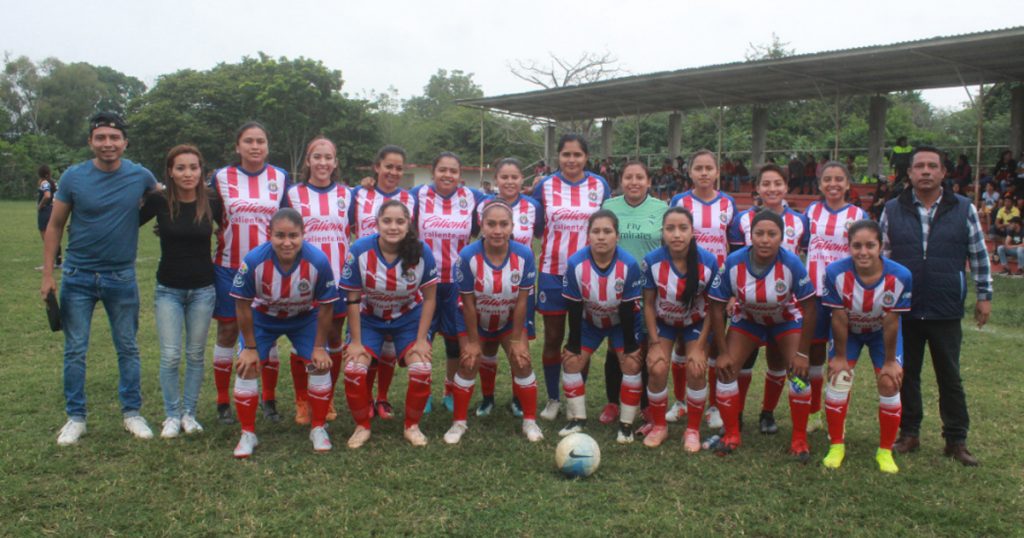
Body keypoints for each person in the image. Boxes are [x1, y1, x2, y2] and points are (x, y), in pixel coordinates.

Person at [41, 111, 158, 446]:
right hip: (77, 276)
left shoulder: (140, 175)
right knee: (75, 350)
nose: (108, 144)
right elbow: (55, 225)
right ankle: (76, 418)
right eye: (101, 137)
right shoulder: (74, 177)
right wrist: (48, 275)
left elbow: (166, 197)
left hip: (120, 277)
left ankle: (132, 413)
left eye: (114, 137)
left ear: (125, 142)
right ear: (91, 141)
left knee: (128, 347)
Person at [880, 145, 991, 466]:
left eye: (932, 166)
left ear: (944, 172)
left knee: (950, 375)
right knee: (907, 373)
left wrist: (984, 295)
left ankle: (956, 439)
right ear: (910, 173)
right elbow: (883, 258)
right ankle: (909, 433)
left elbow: (979, 254)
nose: (926, 171)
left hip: (945, 307)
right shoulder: (892, 208)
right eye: (919, 167)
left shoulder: (963, 208)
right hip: (905, 309)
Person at [229, 209, 339, 457]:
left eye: (293, 235)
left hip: (303, 318)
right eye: (280, 235)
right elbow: (242, 304)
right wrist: (249, 347)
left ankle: (318, 427)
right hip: (263, 317)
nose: (287, 242)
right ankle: (248, 433)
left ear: (303, 235)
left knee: (319, 364)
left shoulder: (318, 261)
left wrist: (319, 347)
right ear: (269, 235)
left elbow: (326, 306)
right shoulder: (254, 261)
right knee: (247, 366)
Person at [708, 210, 817, 460]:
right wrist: (723, 351)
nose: (765, 239)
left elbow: (810, 308)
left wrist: (801, 353)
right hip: (748, 320)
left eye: (772, 234)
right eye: (759, 233)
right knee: (726, 370)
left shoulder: (791, 263)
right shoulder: (734, 262)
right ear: (750, 236)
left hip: (784, 320)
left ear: (781, 237)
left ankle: (799, 439)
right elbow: (715, 305)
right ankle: (732, 434)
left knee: (799, 376)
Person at [339, 200, 438, 448]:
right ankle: (362, 426)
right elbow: (352, 298)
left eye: (400, 221)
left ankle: (412, 426)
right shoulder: (360, 250)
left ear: (408, 225)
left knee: (421, 368)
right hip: (369, 318)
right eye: (387, 221)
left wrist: (421, 340)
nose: (393, 227)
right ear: (377, 223)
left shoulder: (421, 252)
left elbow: (430, 298)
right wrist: (356, 342)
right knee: (353, 369)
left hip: (408, 318)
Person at [210, 121, 289, 425]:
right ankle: (221, 402)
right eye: (249, 141)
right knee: (229, 331)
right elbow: (209, 214)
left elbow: (288, 221)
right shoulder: (220, 177)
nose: (255, 146)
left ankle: (269, 400)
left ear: (268, 146)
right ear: (237, 146)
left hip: (271, 270)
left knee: (266, 336)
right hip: (230, 266)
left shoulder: (279, 178)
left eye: (261, 141)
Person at [140, 145, 221, 438]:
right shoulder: (158, 201)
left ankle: (189, 414)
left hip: (203, 289)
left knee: (196, 355)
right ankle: (171, 415)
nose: (188, 174)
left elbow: (229, 231)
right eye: (181, 168)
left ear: (202, 171)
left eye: (193, 167)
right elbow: (127, 222)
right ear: (170, 172)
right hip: (168, 290)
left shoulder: (212, 200)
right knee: (171, 355)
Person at [820, 220, 912, 473]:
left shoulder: (900, 275)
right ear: (848, 246)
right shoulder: (835, 273)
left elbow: (892, 321)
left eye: (870, 245)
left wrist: (891, 362)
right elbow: (838, 318)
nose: (863, 252)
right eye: (856, 245)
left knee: (889, 382)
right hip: (848, 331)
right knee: (840, 377)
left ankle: (885, 451)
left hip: (881, 333)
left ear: (880, 246)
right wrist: (839, 357)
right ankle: (837, 445)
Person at [448, 200, 543, 443]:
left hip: (509, 319)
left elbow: (523, 301)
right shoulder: (467, 256)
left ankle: (530, 421)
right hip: (474, 320)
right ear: (481, 225)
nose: (497, 230)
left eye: (503, 224)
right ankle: (459, 424)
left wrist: (517, 340)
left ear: (512, 227)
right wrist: (471, 341)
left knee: (521, 360)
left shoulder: (524, 255)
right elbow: (467, 303)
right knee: (469, 361)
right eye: (491, 224)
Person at [531, 134, 610, 420]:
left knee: (580, 338)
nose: (572, 160)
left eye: (577, 155)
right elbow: (538, 228)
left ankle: (576, 398)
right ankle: (553, 399)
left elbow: (605, 226)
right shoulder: (545, 186)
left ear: (586, 157)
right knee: (553, 338)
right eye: (566, 154)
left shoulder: (599, 185)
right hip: (553, 271)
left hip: (588, 275)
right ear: (558, 157)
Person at [728, 164, 809, 434]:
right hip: (748, 305)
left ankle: (768, 413)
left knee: (779, 363)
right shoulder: (741, 220)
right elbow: (736, 258)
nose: (772, 189)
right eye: (766, 184)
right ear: (758, 188)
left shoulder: (800, 221)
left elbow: (804, 254)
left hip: (784, 307)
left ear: (786, 187)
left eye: (777, 183)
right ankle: (735, 414)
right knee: (742, 362)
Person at [558, 210, 644, 439]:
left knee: (631, 365)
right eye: (595, 231)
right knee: (572, 362)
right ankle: (577, 419)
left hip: (620, 323)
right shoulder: (576, 263)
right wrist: (573, 344)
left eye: (607, 231)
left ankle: (626, 426)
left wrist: (630, 347)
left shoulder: (629, 264)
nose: (601, 237)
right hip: (590, 323)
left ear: (617, 236)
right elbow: (574, 307)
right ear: (588, 236)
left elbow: (627, 310)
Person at [285, 137, 353, 425]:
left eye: (329, 157)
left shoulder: (348, 195)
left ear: (335, 162)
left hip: (338, 281)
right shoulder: (292, 194)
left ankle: (326, 396)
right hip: (302, 281)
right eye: (317, 157)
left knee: (334, 338)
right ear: (308, 161)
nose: (323, 162)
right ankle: (303, 399)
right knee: (304, 340)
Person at [410, 152, 483, 414]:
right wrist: (366, 185)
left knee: (454, 340)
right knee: (423, 338)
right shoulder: (417, 194)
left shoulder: (472, 197)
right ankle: (423, 391)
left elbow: (507, 203)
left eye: (453, 171)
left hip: (457, 282)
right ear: (433, 171)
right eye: (442, 170)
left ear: (460, 175)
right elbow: (389, 199)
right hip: (425, 281)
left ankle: (450, 389)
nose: (447, 175)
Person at [670, 150, 738, 429]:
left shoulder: (728, 203)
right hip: (686, 280)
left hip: (719, 282)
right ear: (690, 173)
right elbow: (671, 238)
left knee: (712, 342)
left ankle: (711, 405)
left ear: (717, 172)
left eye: (709, 168)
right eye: (698, 168)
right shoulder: (679, 201)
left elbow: (734, 246)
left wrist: (733, 290)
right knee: (679, 340)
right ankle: (680, 401)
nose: (704, 173)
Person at [643, 207, 719, 451]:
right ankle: (659, 426)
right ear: (662, 233)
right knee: (656, 367)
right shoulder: (652, 261)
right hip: (665, 322)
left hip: (696, 322)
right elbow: (647, 305)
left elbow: (714, 308)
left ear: (693, 232)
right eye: (670, 228)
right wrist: (654, 344)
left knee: (696, 369)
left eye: (683, 228)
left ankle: (693, 430)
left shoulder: (708, 262)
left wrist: (700, 346)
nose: (677, 234)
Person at [598, 161, 666, 429]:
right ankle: (613, 402)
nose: (634, 182)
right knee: (616, 348)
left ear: (649, 181)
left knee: (648, 346)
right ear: (621, 180)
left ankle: (647, 405)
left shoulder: (662, 209)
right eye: (628, 177)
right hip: (614, 287)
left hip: (650, 290)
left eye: (640, 177)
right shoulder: (609, 207)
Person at [802, 162, 868, 434]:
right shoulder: (811, 212)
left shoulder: (857, 214)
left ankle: (835, 418)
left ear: (848, 184)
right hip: (815, 296)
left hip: (844, 298)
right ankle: (813, 412)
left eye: (839, 179)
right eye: (827, 179)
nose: (833, 184)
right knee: (813, 354)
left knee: (841, 356)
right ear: (819, 184)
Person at [350, 145, 416, 419]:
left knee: (389, 341)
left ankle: (383, 397)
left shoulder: (411, 198)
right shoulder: (358, 193)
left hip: (396, 274)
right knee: (369, 341)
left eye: (399, 168)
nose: (393, 172)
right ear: (376, 167)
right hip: (364, 275)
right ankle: (365, 399)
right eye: (388, 166)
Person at [475, 158, 543, 416]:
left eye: (515, 177)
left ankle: (517, 398)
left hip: (521, 286)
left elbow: (538, 234)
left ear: (522, 180)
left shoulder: (533, 206)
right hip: (489, 285)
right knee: (489, 345)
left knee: (519, 345)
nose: (510, 182)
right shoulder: (482, 205)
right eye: (504, 177)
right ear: (496, 179)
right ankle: (487, 398)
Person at [36, 165, 61, 269]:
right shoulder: (53, 182)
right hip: (53, 210)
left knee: (46, 238)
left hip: (46, 211)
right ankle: (59, 262)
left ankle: (48, 264)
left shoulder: (44, 182)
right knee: (54, 236)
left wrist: (40, 205)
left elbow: (47, 195)